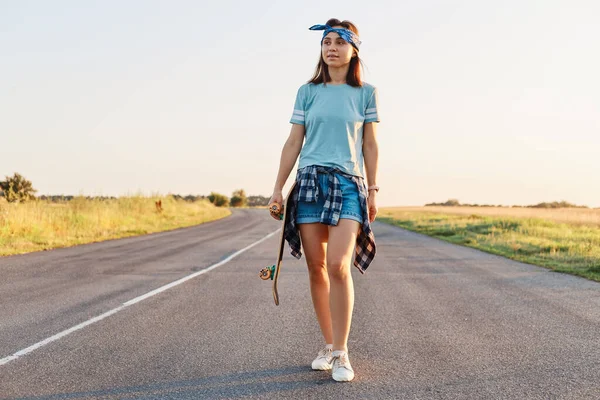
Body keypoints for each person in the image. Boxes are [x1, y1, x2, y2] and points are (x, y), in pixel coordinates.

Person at [268, 18, 380, 383]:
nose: (331, 47)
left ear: (354, 49)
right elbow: (293, 142)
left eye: (338, 42)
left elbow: (370, 144)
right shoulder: (307, 92)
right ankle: (329, 346)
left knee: (338, 266)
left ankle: (343, 352)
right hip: (310, 183)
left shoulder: (366, 93)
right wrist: (277, 189)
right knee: (316, 268)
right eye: (325, 42)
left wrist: (374, 189)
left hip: (348, 184)